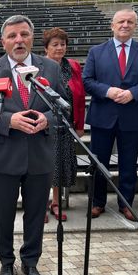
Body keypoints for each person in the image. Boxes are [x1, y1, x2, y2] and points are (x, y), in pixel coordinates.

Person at [0, 14, 64, 275]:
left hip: (40, 155)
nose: (19, 40)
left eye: (24, 34)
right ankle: (6, 262)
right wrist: (8, 121)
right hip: (4, 156)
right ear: (3, 41)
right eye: (12, 36)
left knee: (36, 214)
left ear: (32, 38)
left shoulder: (51, 68)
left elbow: (63, 106)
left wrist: (48, 119)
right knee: (3, 214)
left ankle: (30, 261)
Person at [82, 8, 138, 221]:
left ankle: (126, 204)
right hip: (102, 117)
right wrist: (108, 91)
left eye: (130, 22)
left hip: (132, 117)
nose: (125, 25)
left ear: (135, 26)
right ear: (112, 25)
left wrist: (133, 93)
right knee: (98, 163)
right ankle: (97, 202)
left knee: (129, 163)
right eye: (121, 21)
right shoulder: (96, 51)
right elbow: (87, 80)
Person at [42, 27, 86, 223]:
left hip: (66, 124)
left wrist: (79, 124)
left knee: (60, 165)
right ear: (46, 48)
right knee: (43, 165)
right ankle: (40, 205)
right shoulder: (39, 66)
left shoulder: (73, 66)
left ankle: (56, 203)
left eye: (62, 44)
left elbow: (80, 97)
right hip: (43, 124)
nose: (59, 48)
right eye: (55, 45)